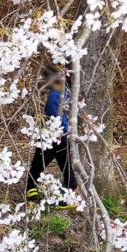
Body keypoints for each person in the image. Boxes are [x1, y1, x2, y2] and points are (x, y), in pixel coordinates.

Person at [25, 67, 77, 203]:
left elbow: (55, 116)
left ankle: (31, 189)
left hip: (53, 135)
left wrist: (59, 133)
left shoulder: (56, 95)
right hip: (62, 136)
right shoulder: (67, 93)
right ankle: (70, 190)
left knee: (38, 164)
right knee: (65, 166)